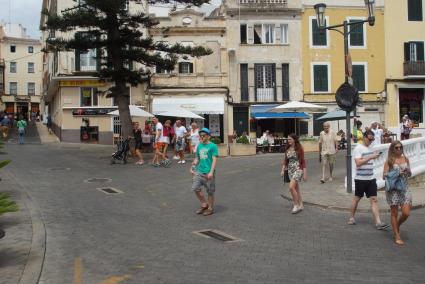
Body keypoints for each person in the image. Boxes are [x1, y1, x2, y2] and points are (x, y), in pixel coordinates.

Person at [348, 130, 389, 230]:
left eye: (373, 139)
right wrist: (371, 156)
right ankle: (351, 217)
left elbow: (368, 160)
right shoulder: (358, 148)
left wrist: (374, 156)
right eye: (370, 139)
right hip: (360, 179)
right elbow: (358, 163)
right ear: (364, 137)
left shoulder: (370, 148)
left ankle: (378, 222)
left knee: (374, 199)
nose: (371, 141)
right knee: (357, 198)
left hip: (371, 179)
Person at [383, 141, 412, 246]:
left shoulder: (406, 159)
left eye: (400, 147)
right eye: (396, 148)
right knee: (394, 213)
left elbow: (409, 173)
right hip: (393, 189)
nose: (399, 149)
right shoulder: (389, 161)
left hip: (404, 188)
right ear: (392, 149)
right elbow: (384, 176)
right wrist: (396, 173)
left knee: (406, 213)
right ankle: (397, 235)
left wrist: (407, 171)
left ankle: (397, 226)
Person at [190, 128, 218, 216]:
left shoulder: (213, 146)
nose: (201, 137)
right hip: (199, 171)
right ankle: (204, 204)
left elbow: (214, 160)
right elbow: (197, 158)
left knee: (210, 191)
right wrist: (193, 167)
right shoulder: (199, 146)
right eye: (200, 135)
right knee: (195, 188)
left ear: (208, 136)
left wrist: (211, 172)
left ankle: (210, 208)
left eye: (204, 135)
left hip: (209, 172)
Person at [281, 133, 307, 214]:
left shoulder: (299, 148)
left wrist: (305, 173)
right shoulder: (287, 149)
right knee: (296, 189)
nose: (288, 140)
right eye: (288, 139)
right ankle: (301, 204)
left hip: (298, 170)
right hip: (290, 170)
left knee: (291, 187)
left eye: (290, 139)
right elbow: (286, 160)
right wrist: (282, 170)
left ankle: (296, 205)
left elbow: (303, 161)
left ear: (294, 140)